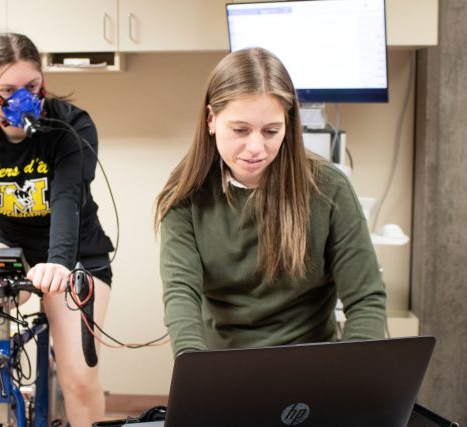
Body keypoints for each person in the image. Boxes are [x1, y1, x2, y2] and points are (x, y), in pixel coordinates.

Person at [153, 48, 387, 357]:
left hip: (313, 367)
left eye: (271, 131)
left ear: (287, 125)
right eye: (240, 130)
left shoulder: (329, 188)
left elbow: (366, 299)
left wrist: (350, 376)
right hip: (224, 366)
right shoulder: (184, 196)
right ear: (211, 119)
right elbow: (181, 296)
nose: (255, 147)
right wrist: (195, 369)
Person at [0, 33, 114, 427]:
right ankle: (0, 388)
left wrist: (59, 264)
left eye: (31, 87)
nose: (23, 98)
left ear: (43, 81)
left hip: (75, 250)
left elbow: (68, 196)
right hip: (9, 242)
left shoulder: (71, 126)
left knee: (80, 380)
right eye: (8, 90)